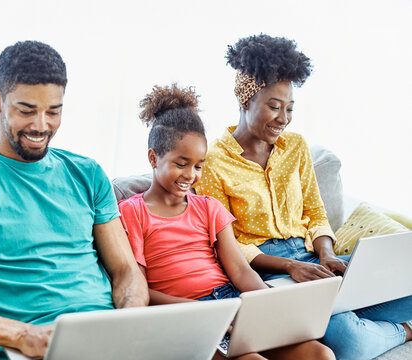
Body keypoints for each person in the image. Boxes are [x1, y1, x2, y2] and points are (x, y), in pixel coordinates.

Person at [0, 40, 149, 360]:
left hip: (109, 342)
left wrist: (128, 319)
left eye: (53, 112)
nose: (41, 126)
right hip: (32, 347)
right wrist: (22, 334)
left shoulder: (87, 173)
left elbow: (127, 270)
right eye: (26, 110)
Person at [195, 34, 412, 359]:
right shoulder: (213, 160)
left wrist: (326, 255)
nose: (283, 118)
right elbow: (229, 245)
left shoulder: (295, 147)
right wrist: (291, 267)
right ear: (245, 100)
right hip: (270, 271)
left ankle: (340, 312)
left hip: (317, 260)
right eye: (274, 106)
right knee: (349, 344)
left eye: (290, 108)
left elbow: (315, 213)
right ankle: (400, 329)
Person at [119, 83, 335, 360]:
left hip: (230, 302)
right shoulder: (131, 212)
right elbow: (139, 289)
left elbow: (241, 271)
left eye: (198, 165)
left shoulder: (209, 207)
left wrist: (271, 308)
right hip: (185, 316)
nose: (191, 175)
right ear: (153, 158)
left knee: (321, 354)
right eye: (181, 163)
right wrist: (204, 314)